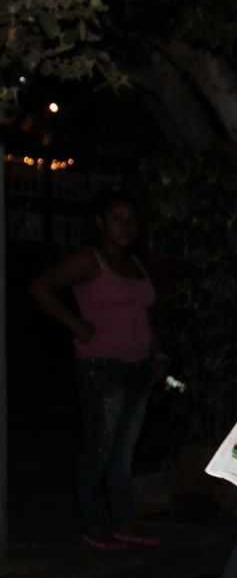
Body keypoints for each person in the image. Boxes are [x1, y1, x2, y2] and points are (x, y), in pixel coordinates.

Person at [30, 188, 167, 552]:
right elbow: (41, 286)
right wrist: (76, 325)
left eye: (131, 220)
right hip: (102, 369)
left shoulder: (134, 263)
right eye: (117, 219)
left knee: (124, 452)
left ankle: (123, 521)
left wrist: (158, 355)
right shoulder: (88, 259)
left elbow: (143, 314)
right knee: (100, 449)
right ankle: (93, 524)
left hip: (139, 369)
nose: (126, 226)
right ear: (100, 222)